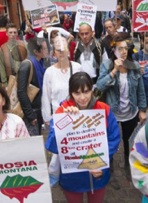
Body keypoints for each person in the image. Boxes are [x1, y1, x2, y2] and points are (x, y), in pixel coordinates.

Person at [45, 72, 120, 203]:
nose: (83, 97)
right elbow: (52, 145)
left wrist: (100, 163)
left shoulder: (104, 110)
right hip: (72, 177)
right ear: (71, 93)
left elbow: (114, 139)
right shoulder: (62, 112)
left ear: (92, 90)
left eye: (86, 91)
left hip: (98, 173)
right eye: (77, 93)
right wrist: (64, 122)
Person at [96, 34, 147, 166]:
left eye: (125, 48)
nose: (123, 52)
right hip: (112, 112)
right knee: (111, 140)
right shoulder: (107, 65)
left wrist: (142, 110)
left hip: (131, 111)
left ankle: (129, 164)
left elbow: (140, 90)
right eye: (120, 49)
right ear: (113, 50)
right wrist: (114, 71)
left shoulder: (134, 65)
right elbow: (100, 86)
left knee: (129, 140)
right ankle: (109, 165)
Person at [42, 36, 82, 124]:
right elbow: (46, 96)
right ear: (54, 53)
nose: (61, 53)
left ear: (68, 50)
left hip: (77, 114)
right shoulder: (49, 72)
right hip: (58, 117)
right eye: (58, 50)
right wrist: (47, 117)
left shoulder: (77, 68)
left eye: (63, 49)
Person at [18, 36, 50, 136]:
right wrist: (30, 115)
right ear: (36, 51)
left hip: (39, 108)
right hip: (31, 111)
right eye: (44, 49)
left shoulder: (42, 63)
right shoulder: (27, 65)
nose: (47, 50)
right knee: (33, 139)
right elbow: (21, 91)